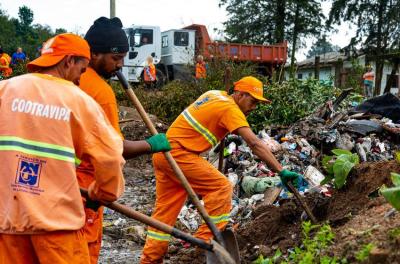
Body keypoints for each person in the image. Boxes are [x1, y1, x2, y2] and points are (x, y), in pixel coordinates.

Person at [140, 76, 302, 263]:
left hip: (164, 154)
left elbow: (212, 119)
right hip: (178, 154)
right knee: (222, 187)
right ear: (240, 94)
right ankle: (202, 249)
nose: (254, 107)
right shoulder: (230, 109)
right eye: (253, 101)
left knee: (164, 215)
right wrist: (280, 170)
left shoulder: (214, 95)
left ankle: (149, 261)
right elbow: (254, 143)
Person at [0, 33, 125, 263]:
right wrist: (102, 193)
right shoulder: (80, 102)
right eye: (82, 69)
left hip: (7, 225)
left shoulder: (4, 90)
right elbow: (111, 158)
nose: (80, 79)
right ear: (69, 61)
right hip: (58, 228)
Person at [80, 16, 171, 264]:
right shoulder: (100, 92)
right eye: (116, 59)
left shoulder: (67, 79)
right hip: (85, 188)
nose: (120, 66)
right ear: (95, 54)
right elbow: (115, 149)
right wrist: (150, 145)